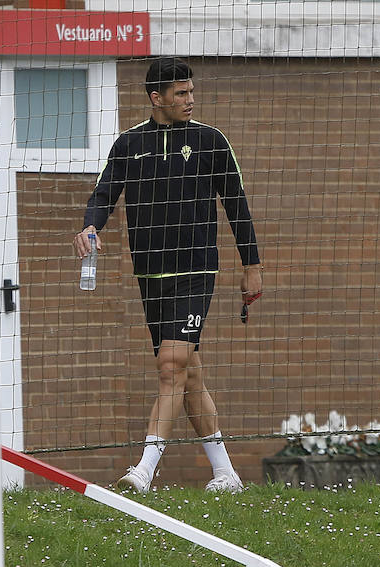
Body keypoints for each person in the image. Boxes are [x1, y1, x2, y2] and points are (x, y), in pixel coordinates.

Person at [73, 57, 263, 493]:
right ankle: (226, 474)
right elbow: (104, 193)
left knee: (169, 366)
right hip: (150, 274)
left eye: (191, 92)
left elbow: (238, 206)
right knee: (188, 373)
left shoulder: (211, 142)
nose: (190, 100)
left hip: (196, 271)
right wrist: (90, 226)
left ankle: (143, 470)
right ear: (156, 98)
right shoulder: (128, 145)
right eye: (181, 94)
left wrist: (252, 268)